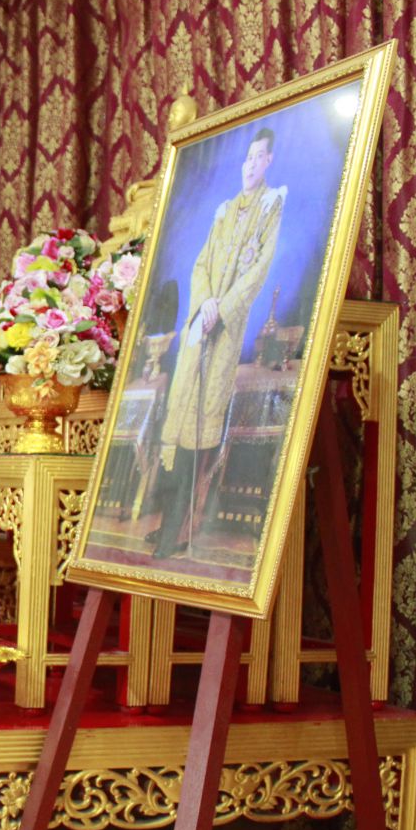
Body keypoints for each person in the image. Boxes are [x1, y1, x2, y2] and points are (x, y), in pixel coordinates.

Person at [147, 127, 285, 559]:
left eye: (258, 157)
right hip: (200, 324)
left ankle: (182, 524)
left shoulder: (271, 205)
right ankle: (167, 517)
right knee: (179, 417)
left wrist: (220, 310)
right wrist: (204, 302)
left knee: (203, 422)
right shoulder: (224, 210)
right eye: (247, 157)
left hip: (224, 329)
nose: (250, 164)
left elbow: (258, 270)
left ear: (268, 161)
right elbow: (201, 263)